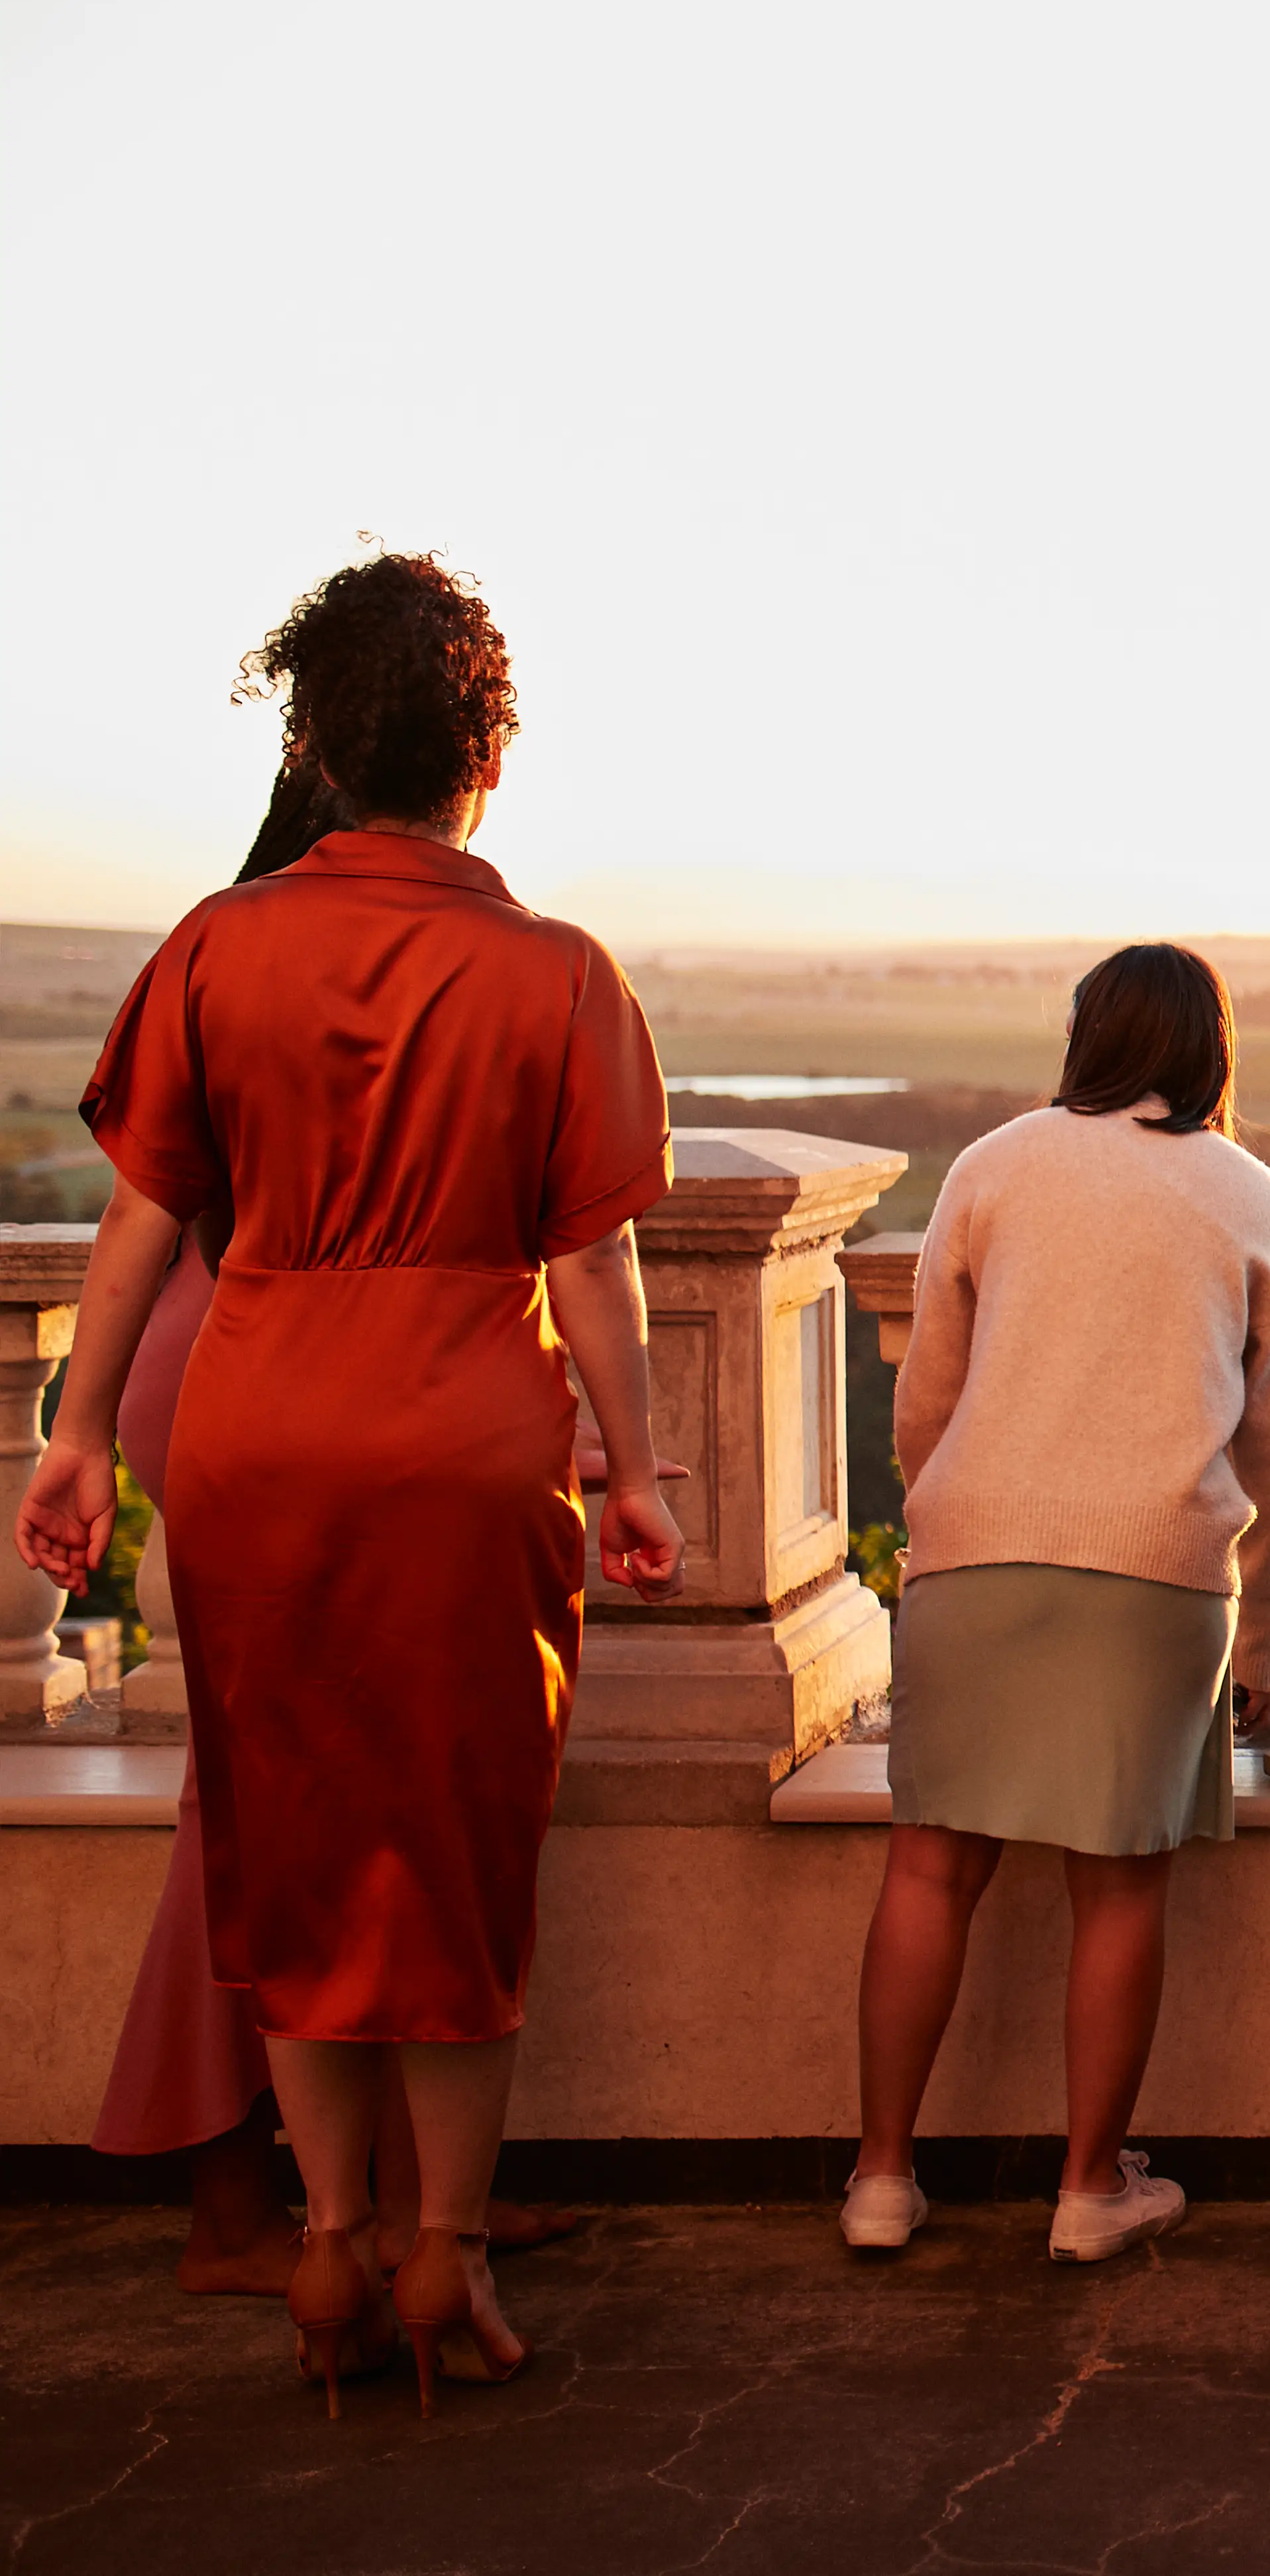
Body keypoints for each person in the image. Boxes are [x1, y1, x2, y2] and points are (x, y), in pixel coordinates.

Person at [15, 551, 686, 2412]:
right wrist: (634, 1472)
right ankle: (441, 2257)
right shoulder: (558, 972)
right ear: (489, 759)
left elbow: (143, 1218)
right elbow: (596, 1269)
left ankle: (322, 2242)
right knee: (459, 1852)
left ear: (309, 745)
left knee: (286, 1824)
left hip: (262, 1426)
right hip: (469, 1441)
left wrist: (76, 1437)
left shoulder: (212, 948)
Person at [86, 760, 587, 2293]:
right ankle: (299, 2204)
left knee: (304, 1779)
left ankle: (349, 2205)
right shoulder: (455, 959)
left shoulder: (230, 947)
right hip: (302, 1361)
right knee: (307, 1795)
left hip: (237, 1366)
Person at [846, 944, 1270, 2265]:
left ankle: (881, 2178)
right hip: (1153, 1574)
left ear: (1086, 1035)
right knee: (1117, 1894)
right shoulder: (1253, 1194)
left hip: (976, 1555)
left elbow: (926, 1397)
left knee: (930, 1865)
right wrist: (1267, 1629)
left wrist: (938, 1538)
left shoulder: (994, 1164)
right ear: (1214, 1047)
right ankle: (1088, 2188)